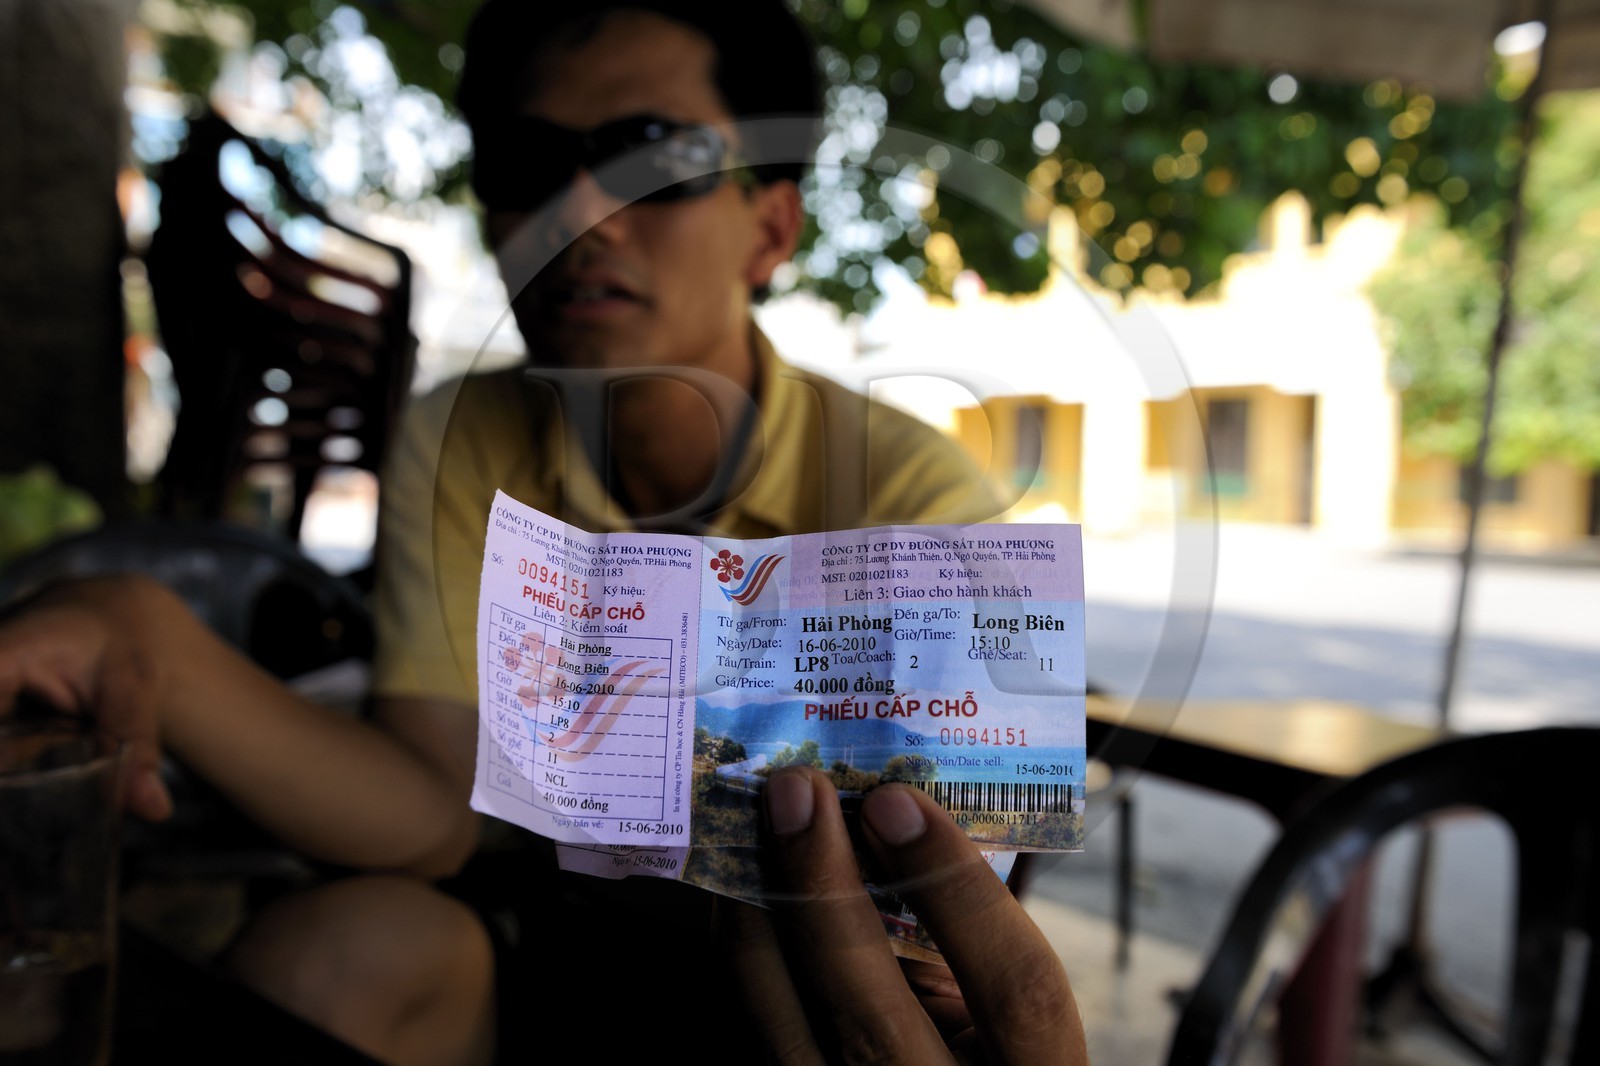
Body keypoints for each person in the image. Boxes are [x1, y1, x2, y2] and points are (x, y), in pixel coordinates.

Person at [0, 2, 1085, 1062]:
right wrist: (152, 640)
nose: (578, 215)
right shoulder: (464, 436)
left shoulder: (915, 508)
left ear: (769, 231)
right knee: (341, 954)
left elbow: (924, 937)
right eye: (525, 163)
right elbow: (429, 807)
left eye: (654, 157)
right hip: (536, 947)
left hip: (798, 991)